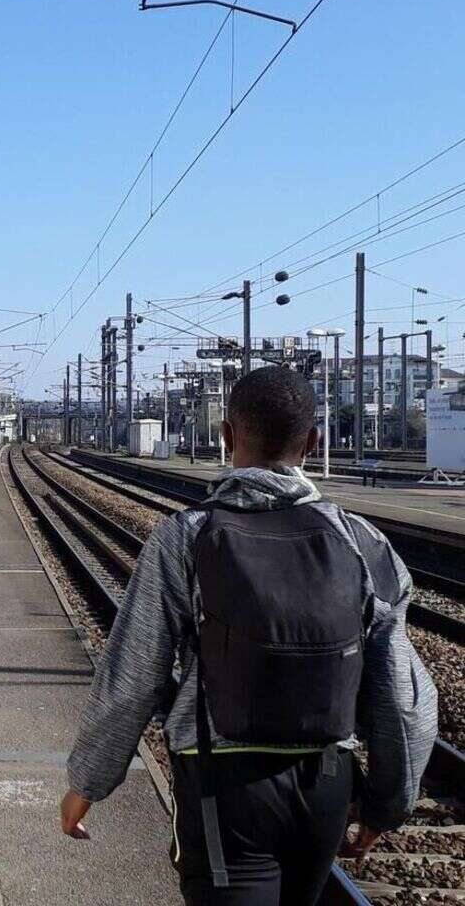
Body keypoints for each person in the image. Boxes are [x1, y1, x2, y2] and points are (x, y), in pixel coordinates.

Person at [61, 366, 438, 906]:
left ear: (227, 437)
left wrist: (87, 782)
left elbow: (133, 676)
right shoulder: (362, 541)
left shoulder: (186, 537)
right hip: (326, 777)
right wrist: (388, 804)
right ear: (314, 441)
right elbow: (403, 696)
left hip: (223, 784)